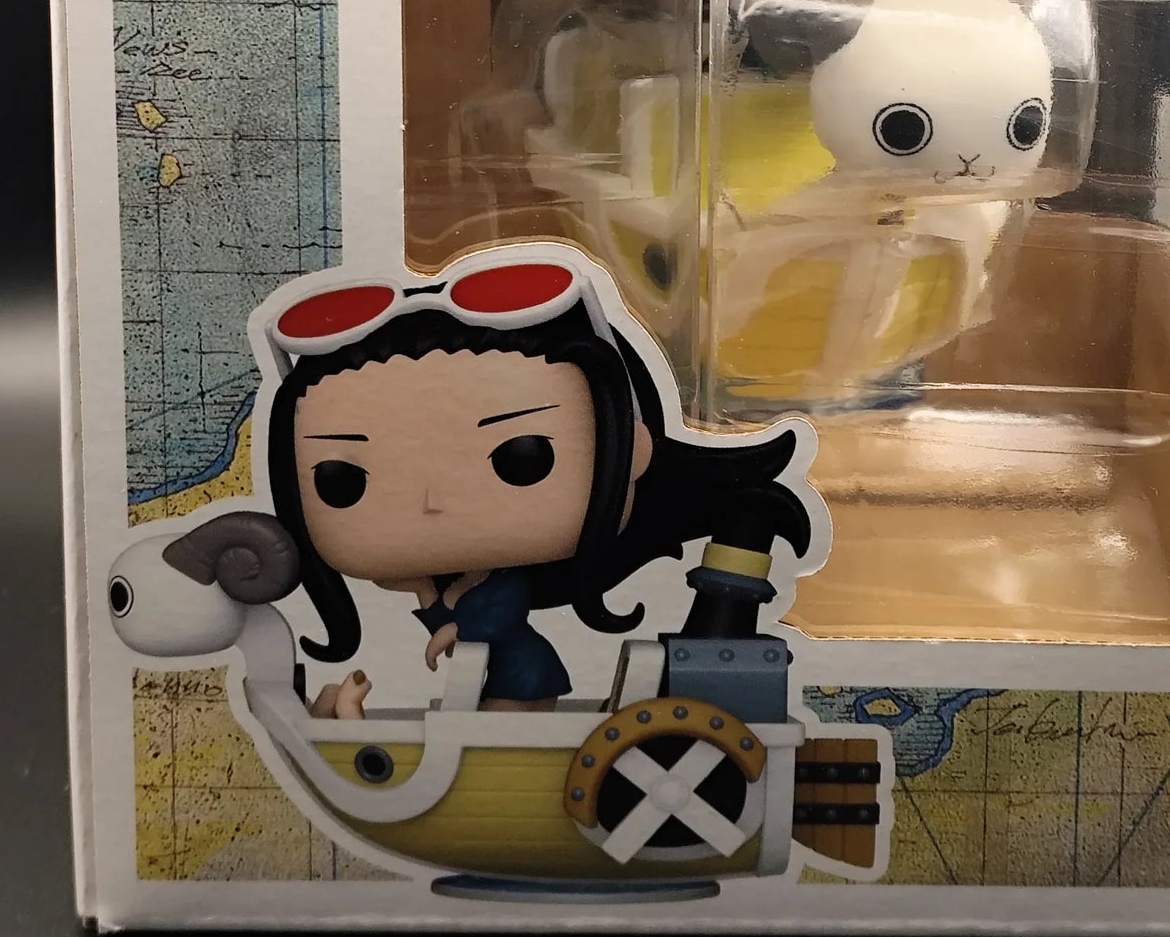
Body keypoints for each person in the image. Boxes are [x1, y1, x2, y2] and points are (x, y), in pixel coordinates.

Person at [260, 252, 815, 715]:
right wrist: (424, 592)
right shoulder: (474, 575)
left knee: (495, 735)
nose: (432, 502)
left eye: (521, 458)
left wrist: (450, 631)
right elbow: (456, 617)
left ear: (631, 449)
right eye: (343, 481)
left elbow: (487, 620)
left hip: (523, 678)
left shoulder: (500, 584)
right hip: (498, 677)